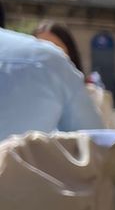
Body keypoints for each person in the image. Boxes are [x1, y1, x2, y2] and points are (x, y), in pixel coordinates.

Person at [0, 13, 103, 141]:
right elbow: (96, 143)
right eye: (41, 44)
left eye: (55, 47)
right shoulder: (44, 61)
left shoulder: (89, 92)